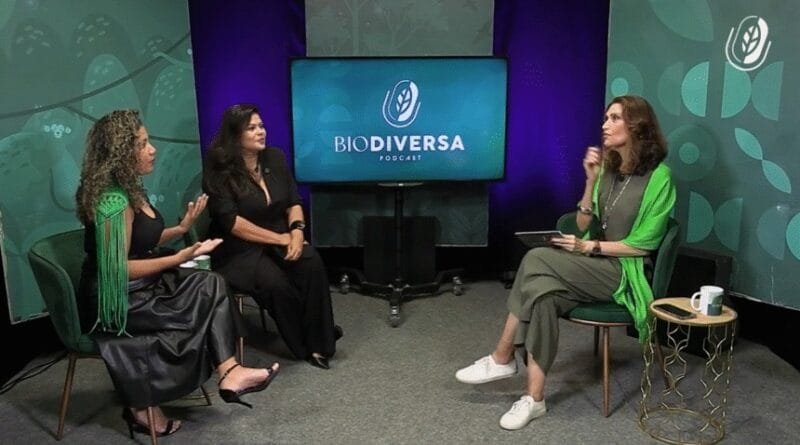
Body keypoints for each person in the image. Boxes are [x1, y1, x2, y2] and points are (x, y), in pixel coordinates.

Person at [455, 95, 676, 430]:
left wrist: (588, 247)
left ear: (638, 127)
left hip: (624, 271)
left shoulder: (660, 178)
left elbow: (644, 244)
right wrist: (590, 180)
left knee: (536, 258)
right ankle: (535, 399)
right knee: (542, 294)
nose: (604, 124)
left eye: (614, 118)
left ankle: (502, 355)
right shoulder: (609, 171)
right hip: (593, 264)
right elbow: (584, 223)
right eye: (605, 117)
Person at [75, 110, 279, 438]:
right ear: (122, 153)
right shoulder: (113, 201)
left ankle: (230, 371)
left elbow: (141, 240)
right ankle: (145, 403)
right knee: (202, 294)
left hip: (140, 286)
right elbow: (116, 269)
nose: (152, 149)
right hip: (117, 299)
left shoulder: (129, 188)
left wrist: (181, 229)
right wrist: (178, 258)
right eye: (143, 144)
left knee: (210, 282)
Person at [202, 104, 340, 370]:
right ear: (235, 136)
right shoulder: (218, 170)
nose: (260, 132)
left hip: (279, 234)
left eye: (261, 126)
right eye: (252, 128)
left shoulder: (274, 158)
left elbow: (293, 201)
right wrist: (281, 239)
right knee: (275, 283)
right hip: (237, 249)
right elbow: (233, 223)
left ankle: (320, 342)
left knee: (310, 261)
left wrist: (297, 231)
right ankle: (303, 345)